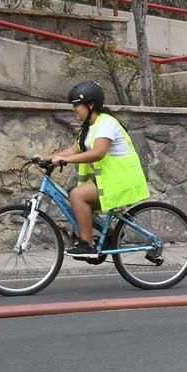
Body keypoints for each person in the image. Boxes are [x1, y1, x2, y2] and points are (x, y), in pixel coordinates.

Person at [44, 81, 150, 258]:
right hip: (110, 180)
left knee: (78, 196)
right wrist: (46, 157)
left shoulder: (106, 123)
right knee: (73, 196)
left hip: (122, 180)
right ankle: (109, 234)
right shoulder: (89, 127)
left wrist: (65, 160)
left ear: (91, 105)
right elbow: (72, 150)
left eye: (77, 104)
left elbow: (98, 153)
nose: (73, 108)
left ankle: (87, 244)